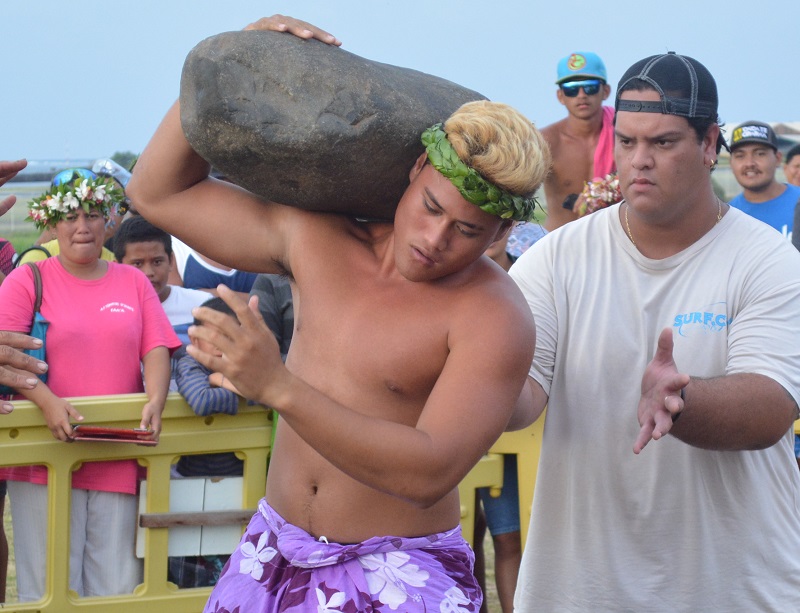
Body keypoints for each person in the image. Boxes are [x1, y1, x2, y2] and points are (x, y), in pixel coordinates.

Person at [128, 14, 550, 611]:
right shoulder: (318, 240)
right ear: (413, 173)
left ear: (502, 230)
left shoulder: (492, 315)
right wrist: (227, 70)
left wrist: (278, 387)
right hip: (272, 548)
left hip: (400, 570)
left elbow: (429, 469)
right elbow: (157, 194)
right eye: (430, 206)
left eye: (466, 230)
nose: (433, 239)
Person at [510, 51, 800, 611]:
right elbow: (523, 396)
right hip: (582, 590)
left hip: (737, 589)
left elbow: (770, 409)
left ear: (710, 143)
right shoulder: (556, 259)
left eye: (663, 143)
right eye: (627, 141)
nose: (638, 161)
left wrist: (681, 399)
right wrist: (468, 366)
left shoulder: (769, 261)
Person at [0, 173, 180, 601]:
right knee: (46, 584)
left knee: (114, 587)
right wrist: (45, 401)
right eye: (71, 216)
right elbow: (4, 357)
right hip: (45, 456)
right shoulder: (27, 280)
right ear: (52, 223)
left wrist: (156, 398)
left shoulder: (132, 281)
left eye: (93, 215)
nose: (82, 225)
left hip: (116, 450)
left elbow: (156, 346)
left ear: (108, 223)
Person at [473, 223, 546, 613]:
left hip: (525, 428)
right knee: (464, 533)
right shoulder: (449, 277)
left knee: (510, 538)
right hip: (469, 428)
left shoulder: (535, 267)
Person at [540, 51, 615, 231]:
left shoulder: (625, 138)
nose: (581, 95)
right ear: (561, 96)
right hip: (559, 245)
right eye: (572, 89)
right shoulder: (546, 141)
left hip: (614, 244)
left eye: (590, 87)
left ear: (605, 91)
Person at [729, 120, 800, 242]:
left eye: (760, 154)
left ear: (777, 158)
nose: (749, 163)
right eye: (740, 156)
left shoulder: (797, 201)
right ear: (731, 163)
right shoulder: (727, 217)